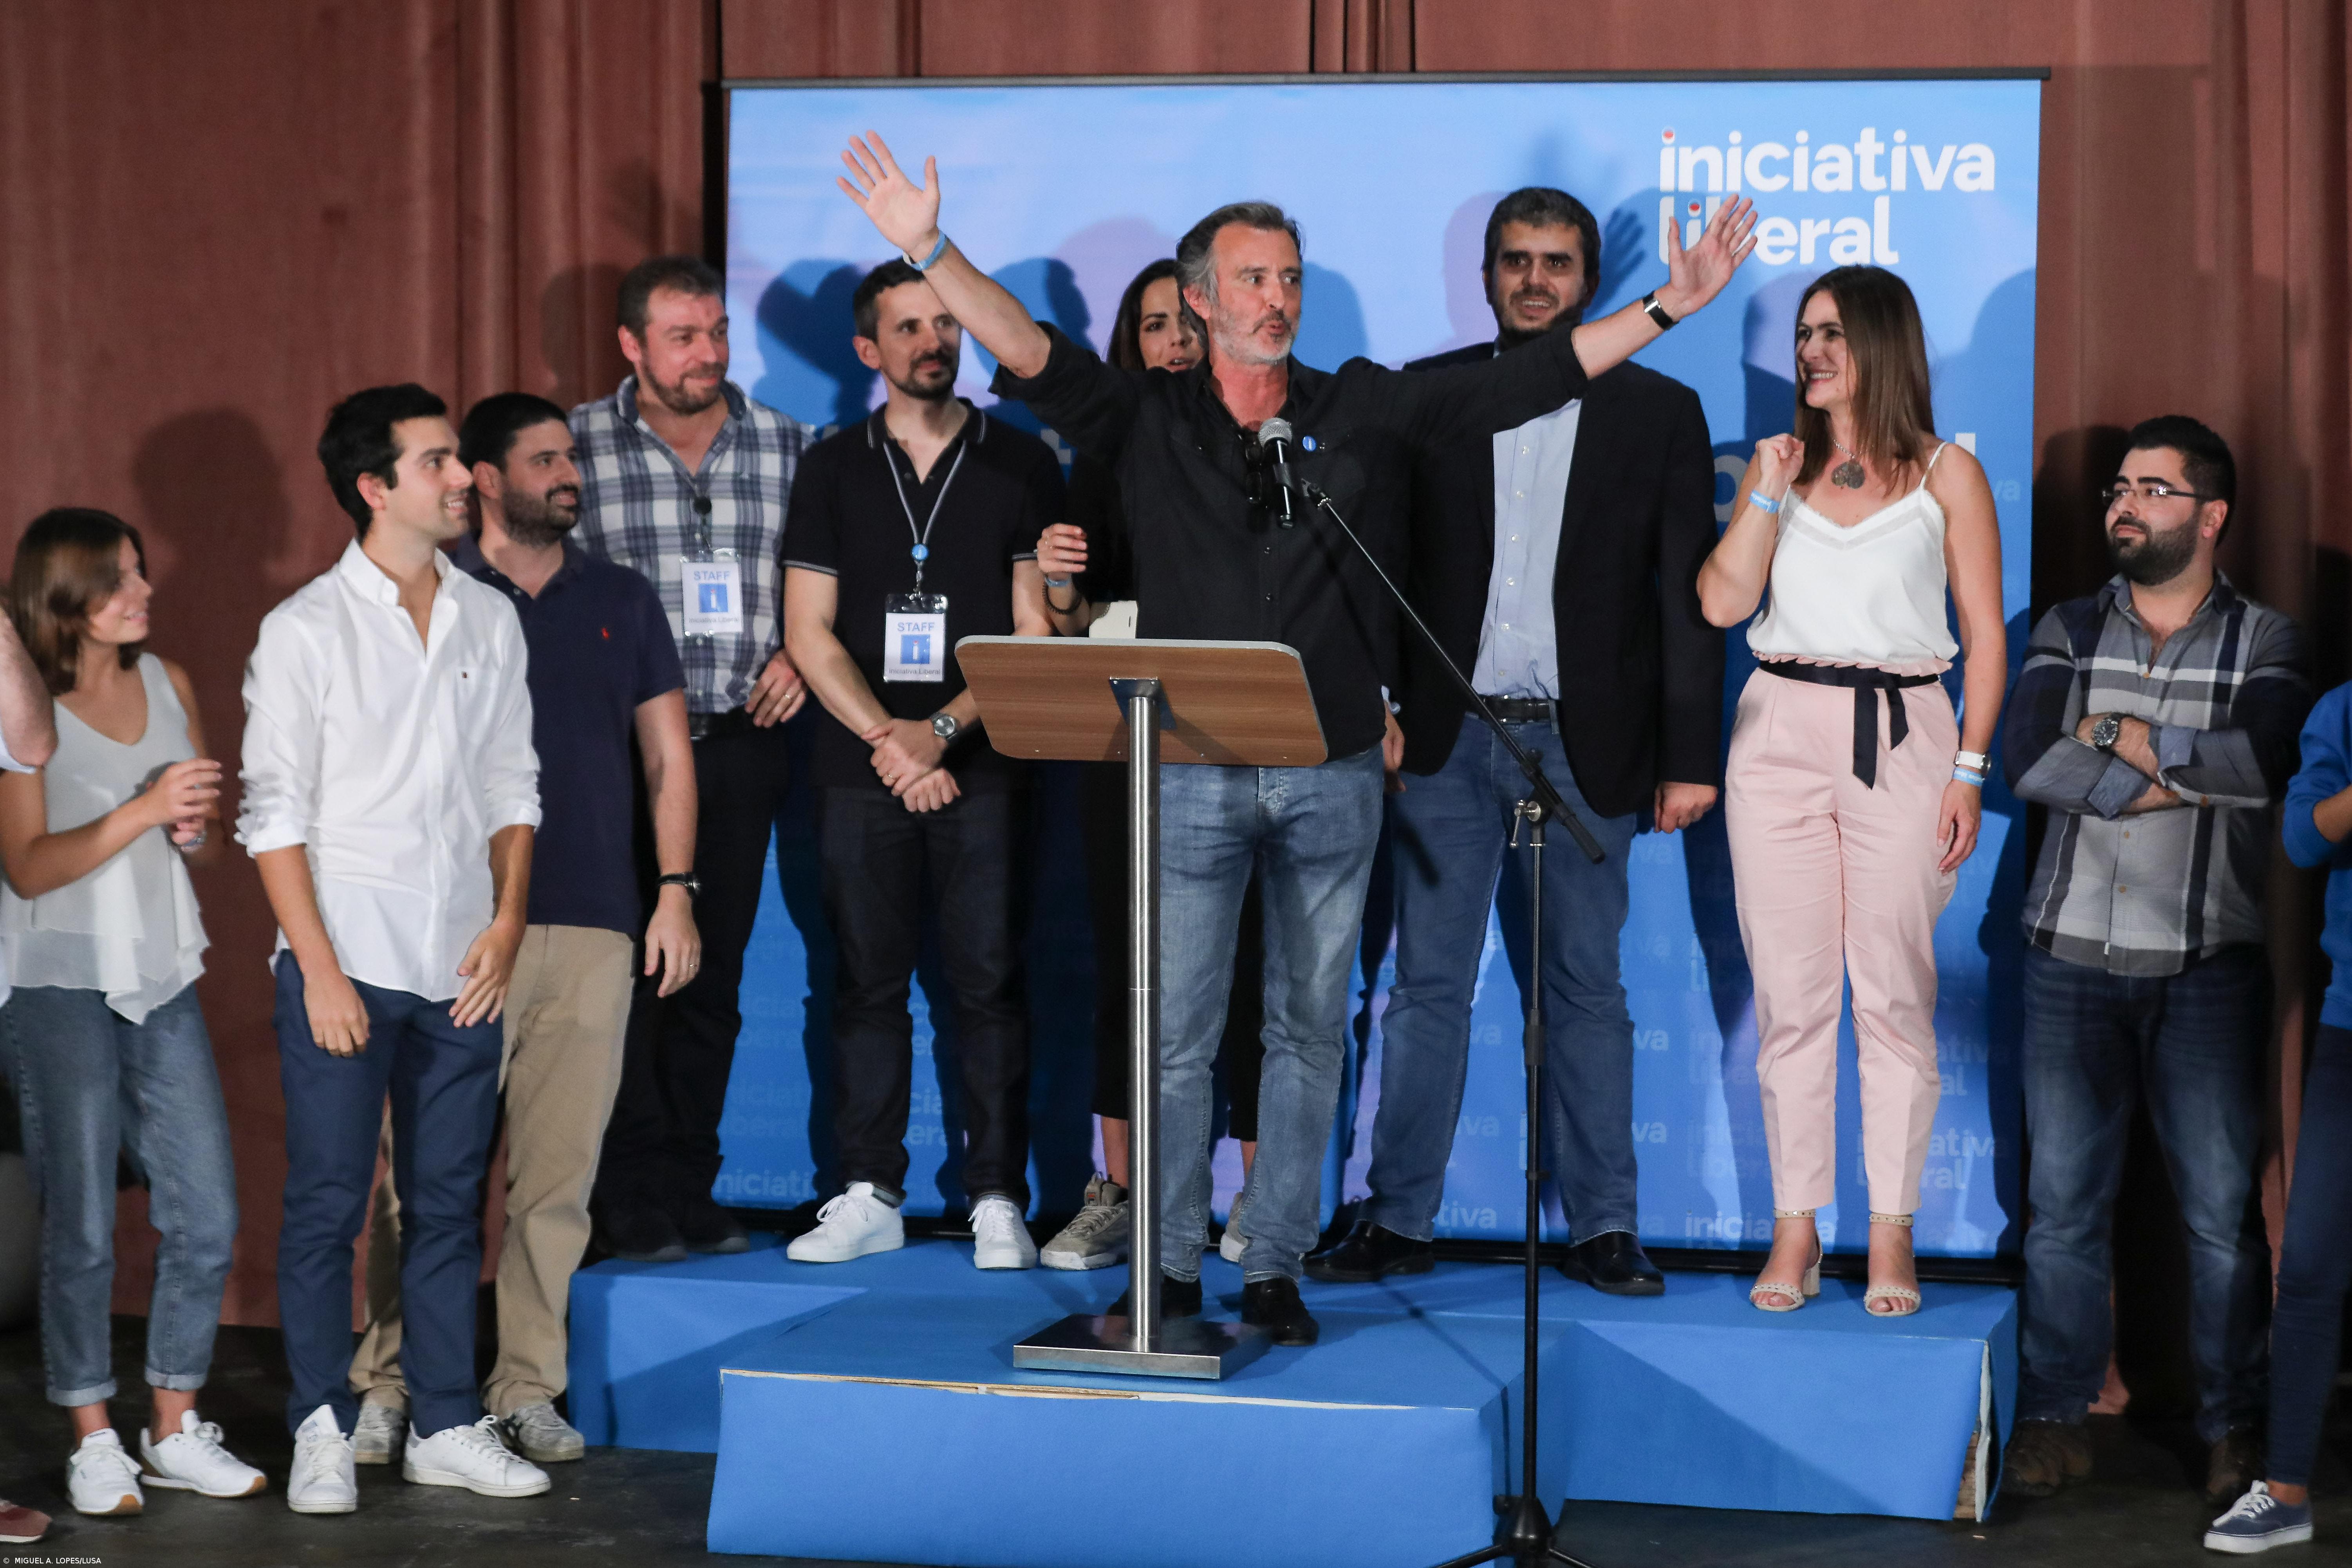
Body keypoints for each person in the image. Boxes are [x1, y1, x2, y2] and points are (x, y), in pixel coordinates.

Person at [837, 131, 1756, 1345]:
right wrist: (927, 247)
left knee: (1307, 1031)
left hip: (1329, 775)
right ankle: (1165, 1265)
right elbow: (1019, 347)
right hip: (1188, 776)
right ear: (1202, 299)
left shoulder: (1363, 407)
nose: (1275, 300)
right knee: (1173, 1039)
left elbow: (1526, 382)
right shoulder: (1142, 418)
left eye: (1289, 280)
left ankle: (1270, 1260)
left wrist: (1660, 308)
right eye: (1252, 281)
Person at [1309, 187, 1722, 1294]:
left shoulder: (1659, 411)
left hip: (1586, 750)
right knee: (1425, 987)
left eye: (1556, 262)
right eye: (1514, 261)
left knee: (1586, 991)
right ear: (1487, 275)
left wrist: (1689, 756)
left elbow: (1681, 602)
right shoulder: (1431, 397)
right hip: (1444, 743)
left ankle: (1604, 1226)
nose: (1533, 279)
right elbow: (1374, 571)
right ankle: (1395, 1218)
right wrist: (1381, 706)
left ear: (1588, 281)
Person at [345, 394, 699, 1466]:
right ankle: (388, 1381)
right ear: (486, 479)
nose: (568, 473)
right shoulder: (435, 592)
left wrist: (674, 887)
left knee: (556, 1186)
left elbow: (668, 755)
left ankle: (526, 1385)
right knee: (423, 1181)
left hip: (592, 927)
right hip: (451, 934)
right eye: (543, 459)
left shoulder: (622, 598)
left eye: (571, 456)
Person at [242, 384, 547, 1512]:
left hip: (463, 952)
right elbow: (272, 814)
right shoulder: (304, 630)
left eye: (458, 458)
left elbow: (513, 781)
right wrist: (317, 967)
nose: (462, 477)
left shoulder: (490, 616)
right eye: (437, 462)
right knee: (329, 1199)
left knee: (449, 1197)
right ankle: (321, 1422)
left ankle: (445, 1419)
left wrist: (509, 917)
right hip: (348, 956)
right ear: (375, 487)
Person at [1997, 416, 2306, 1506]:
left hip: (2203, 963)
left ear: (2209, 515)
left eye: (2153, 489)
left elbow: (2264, 757)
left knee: (2218, 1217)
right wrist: (2174, 768)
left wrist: (2114, 733)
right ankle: (2047, 1413)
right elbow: (2030, 754)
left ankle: (2234, 1427)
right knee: (2062, 1209)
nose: (2121, 505)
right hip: (2067, 957)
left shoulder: (2265, 640)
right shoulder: (2066, 625)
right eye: (2116, 487)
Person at [1696, 265, 2006, 1317]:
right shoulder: (1774, 468)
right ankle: (1795, 1227)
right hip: (1777, 729)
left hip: (1904, 731)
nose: (1811, 352)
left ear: (1880, 343)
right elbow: (1721, 601)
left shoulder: (1944, 474)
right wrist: (1765, 489)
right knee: (1789, 998)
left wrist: (1967, 767)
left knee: (1892, 996)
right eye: (1802, 335)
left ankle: (1890, 1232)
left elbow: (1985, 634)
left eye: (1831, 333)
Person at [780, 260, 1058, 1269]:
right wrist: (891, 742)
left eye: (945, 323)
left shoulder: (1021, 463)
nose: (932, 341)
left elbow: (1034, 630)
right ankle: (870, 1190)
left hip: (983, 764)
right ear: (871, 350)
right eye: (908, 328)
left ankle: (996, 1195)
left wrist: (939, 733)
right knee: (864, 984)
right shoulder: (831, 466)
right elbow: (807, 634)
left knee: (988, 985)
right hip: (861, 769)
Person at [0, 509, 262, 1516]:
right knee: (81, 1221)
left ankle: (173, 1424)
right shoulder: (27, 704)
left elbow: (190, 842)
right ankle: (92, 1433)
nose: (142, 591)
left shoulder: (169, 682)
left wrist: (188, 828)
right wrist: (144, 812)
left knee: (208, 1207)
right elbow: (27, 867)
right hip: (56, 977)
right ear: (64, 595)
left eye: (141, 571)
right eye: (117, 580)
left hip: (157, 972)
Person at [1030, 258, 1268, 1274]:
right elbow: (1070, 616)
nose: (1173, 341)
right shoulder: (1104, 450)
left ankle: (1260, 1196)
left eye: (1188, 321)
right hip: (1124, 728)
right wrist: (1051, 584)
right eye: (1153, 326)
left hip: (1246, 729)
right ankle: (1122, 1190)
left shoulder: (1269, 441)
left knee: (1256, 966)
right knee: (1127, 967)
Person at [575, 255, 812, 1263]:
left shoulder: (789, 447)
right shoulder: (575, 447)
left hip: (741, 748)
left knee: (707, 985)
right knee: (618, 983)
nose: (708, 354)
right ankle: (624, 1195)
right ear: (631, 345)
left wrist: (805, 651)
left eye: (717, 332)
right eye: (683, 336)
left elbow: (829, 581)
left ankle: (691, 1188)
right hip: (612, 761)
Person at [2206, 672, 2352, 1551]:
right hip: (2350, 1026)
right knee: (2310, 1267)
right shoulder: (2342, 708)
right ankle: (2287, 1490)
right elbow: (2300, 837)